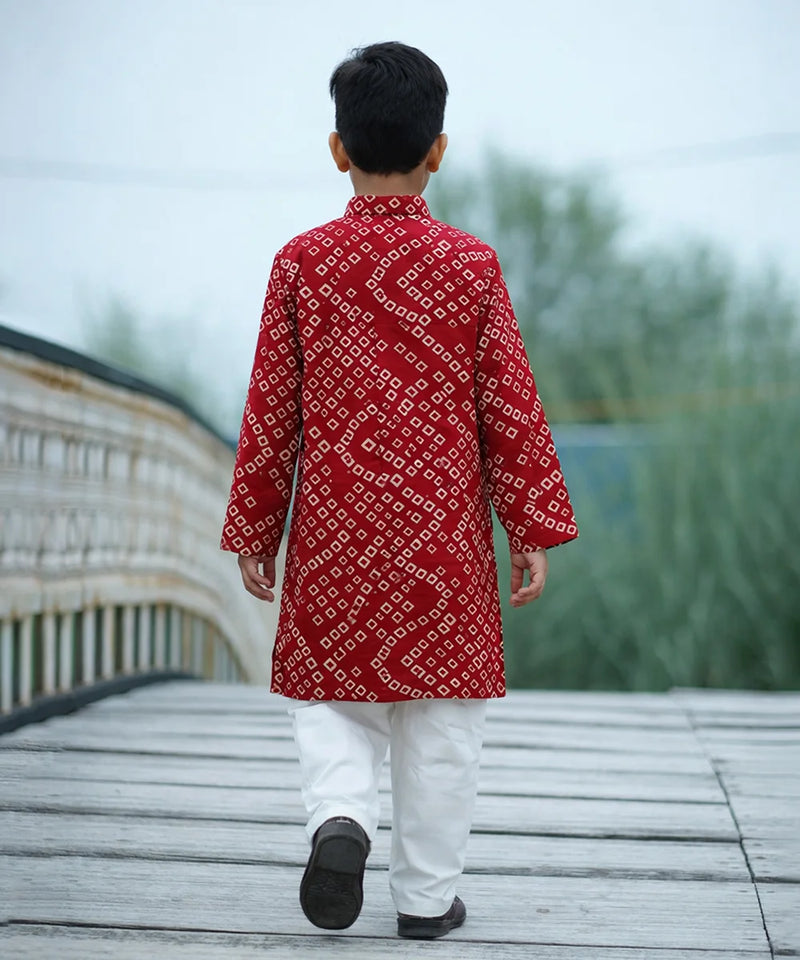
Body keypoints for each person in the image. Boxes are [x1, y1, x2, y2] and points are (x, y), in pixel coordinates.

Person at [220, 40, 578, 940]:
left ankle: (340, 821)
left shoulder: (300, 264)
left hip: (337, 537)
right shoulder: (472, 266)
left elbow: (273, 412)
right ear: (439, 150)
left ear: (337, 150)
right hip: (442, 544)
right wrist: (528, 523)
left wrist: (256, 528)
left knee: (333, 702)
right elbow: (509, 405)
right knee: (443, 723)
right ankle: (424, 899)